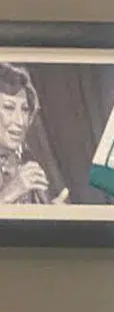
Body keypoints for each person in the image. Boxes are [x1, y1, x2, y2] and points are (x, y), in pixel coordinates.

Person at [0, 62, 66, 205]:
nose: (20, 121)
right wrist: (8, 194)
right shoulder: (20, 178)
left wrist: (49, 213)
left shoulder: (26, 162)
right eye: (9, 107)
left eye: (25, 110)